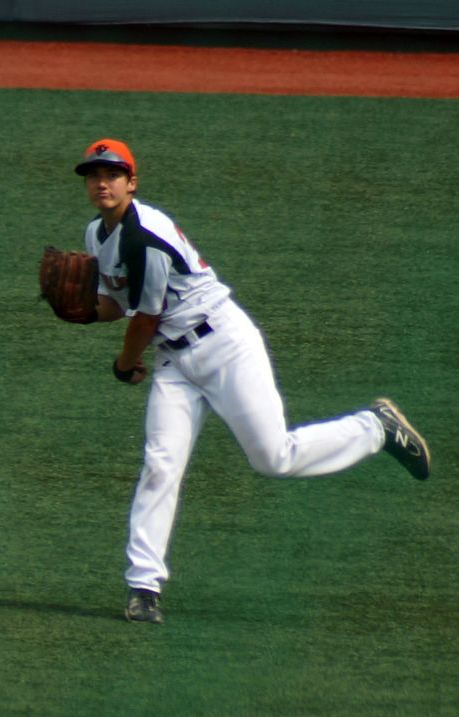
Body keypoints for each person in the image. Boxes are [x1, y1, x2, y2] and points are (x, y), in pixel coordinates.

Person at [74, 139, 430, 625]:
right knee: (161, 465)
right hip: (174, 361)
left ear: (131, 183)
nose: (102, 183)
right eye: (94, 175)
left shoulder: (144, 236)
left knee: (273, 457)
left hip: (224, 344)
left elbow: (145, 318)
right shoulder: (97, 234)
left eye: (112, 174)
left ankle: (375, 428)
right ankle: (144, 588)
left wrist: (123, 365)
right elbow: (117, 303)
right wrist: (82, 313)